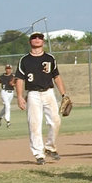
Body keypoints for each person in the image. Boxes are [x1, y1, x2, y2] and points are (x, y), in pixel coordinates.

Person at [15, 32, 68, 165]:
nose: (37, 39)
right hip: (33, 94)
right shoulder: (24, 60)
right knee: (34, 124)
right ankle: (39, 154)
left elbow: (57, 76)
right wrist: (20, 97)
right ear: (30, 41)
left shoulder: (50, 58)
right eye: (34, 37)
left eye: (40, 37)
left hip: (49, 93)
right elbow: (19, 80)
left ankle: (50, 147)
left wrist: (64, 94)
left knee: (56, 121)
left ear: (43, 41)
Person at [0, 64, 16, 128]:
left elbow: (16, 83)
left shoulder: (13, 76)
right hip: (4, 92)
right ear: (5, 69)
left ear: (11, 69)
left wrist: (13, 84)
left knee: (6, 107)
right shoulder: (2, 76)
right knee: (7, 105)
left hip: (11, 92)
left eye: (9, 69)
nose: (8, 70)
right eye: (7, 68)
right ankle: (8, 120)